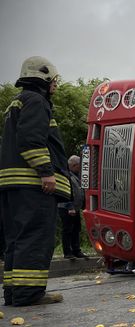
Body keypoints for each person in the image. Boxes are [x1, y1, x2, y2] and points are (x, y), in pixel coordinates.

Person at [0, 56, 70, 306]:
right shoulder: (36, 101)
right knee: (35, 237)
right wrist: (46, 172)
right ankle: (30, 294)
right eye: (54, 80)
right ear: (43, 77)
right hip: (33, 186)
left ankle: (14, 292)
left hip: (14, 186)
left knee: (16, 239)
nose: (55, 85)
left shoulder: (17, 102)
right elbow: (31, 139)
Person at [57, 155, 88, 259]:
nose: (80, 168)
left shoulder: (75, 175)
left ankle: (76, 250)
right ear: (74, 165)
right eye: (79, 166)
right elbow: (67, 192)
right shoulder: (66, 175)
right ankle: (67, 252)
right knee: (68, 229)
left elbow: (79, 191)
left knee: (76, 229)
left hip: (76, 208)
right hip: (66, 208)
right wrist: (70, 206)